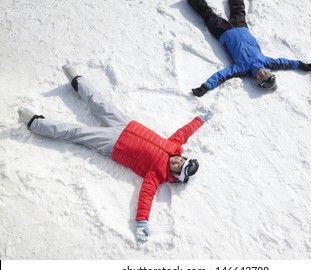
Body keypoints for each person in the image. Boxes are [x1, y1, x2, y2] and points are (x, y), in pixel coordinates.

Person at [17, 64, 212, 242]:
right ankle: (78, 81)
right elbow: (183, 133)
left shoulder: (156, 175)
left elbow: (145, 197)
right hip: (126, 124)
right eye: (183, 159)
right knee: (100, 103)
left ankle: (36, 123)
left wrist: (142, 221)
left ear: (177, 175)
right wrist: (200, 120)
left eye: (179, 166)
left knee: (78, 133)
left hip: (113, 145)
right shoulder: (173, 146)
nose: (178, 160)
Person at [187, 0, 311, 96]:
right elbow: (285, 63)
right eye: (266, 73)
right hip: (242, 28)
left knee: (207, 13)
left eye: (261, 77)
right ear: (268, 72)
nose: (261, 73)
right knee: (238, 8)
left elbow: (222, 75)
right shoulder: (266, 62)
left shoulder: (243, 69)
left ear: (257, 80)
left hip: (223, 32)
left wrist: (205, 87)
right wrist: (301, 65)